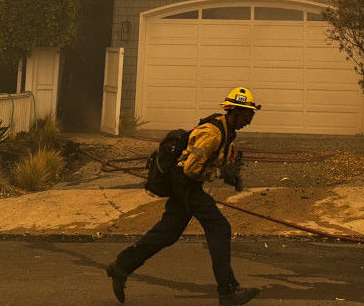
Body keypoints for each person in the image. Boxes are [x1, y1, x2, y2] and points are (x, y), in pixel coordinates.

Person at [107, 87, 262, 306]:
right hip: (185, 184)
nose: (250, 120)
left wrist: (231, 175)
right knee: (220, 228)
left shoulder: (227, 133)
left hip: (187, 186)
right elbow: (190, 168)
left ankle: (121, 266)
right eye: (248, 115)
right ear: (234, 112)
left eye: (252, 115)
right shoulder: (212, 133)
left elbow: (219, 161)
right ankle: (227, 292)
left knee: (167, 233)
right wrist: (218, 173)